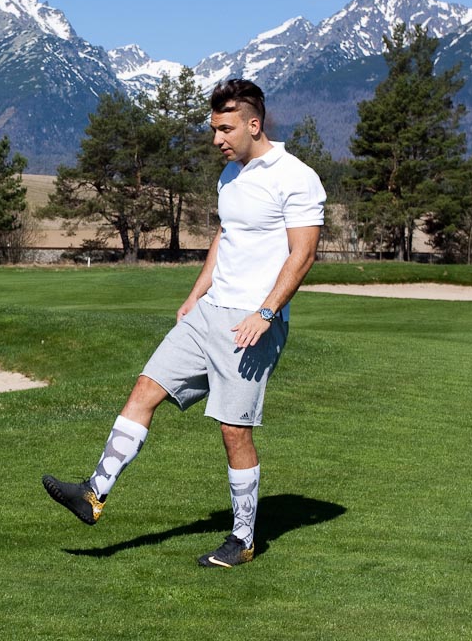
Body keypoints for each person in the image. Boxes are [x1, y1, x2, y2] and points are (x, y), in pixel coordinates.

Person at [42, 78, 326, 568]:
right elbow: (225, 236)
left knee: (233, 430)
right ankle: (94, 493)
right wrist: (195, 295)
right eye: (214, 128)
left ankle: (242, 540)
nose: (216, 138)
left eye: (224, 128)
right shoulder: (230, 176)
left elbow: (303, 255)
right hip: (209, 313)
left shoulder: (297, 177)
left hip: (252, 322)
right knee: (145, 389)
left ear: (253, 124)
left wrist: (265, 313)